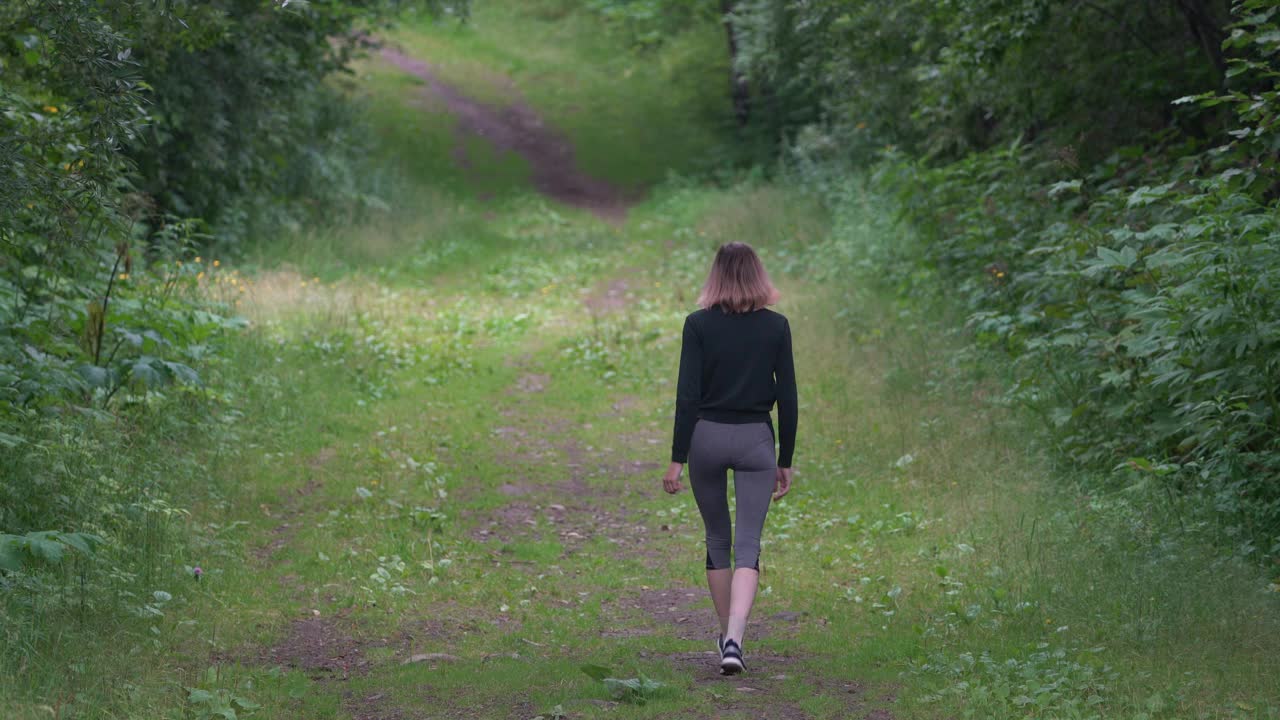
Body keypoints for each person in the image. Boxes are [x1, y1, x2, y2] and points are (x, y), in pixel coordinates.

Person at [662, 241, 797, 676]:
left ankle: (726, 637)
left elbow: (687, 396)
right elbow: (789, 399)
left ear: (714, 275)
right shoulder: (776, 327)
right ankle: (736, 638)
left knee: (717, 539)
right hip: (756, 440)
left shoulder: (697, 325)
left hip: (706, 439)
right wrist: (786, 457)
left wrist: (677, 459)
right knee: (748, 545)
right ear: (758, 275)